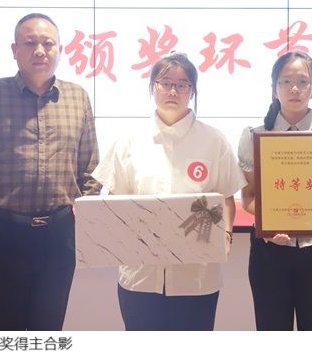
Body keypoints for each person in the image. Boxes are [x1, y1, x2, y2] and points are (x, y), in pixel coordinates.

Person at [0, 13, 101, 331]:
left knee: (49, 331)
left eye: (48, 43)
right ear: (14, 49)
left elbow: (89, 170)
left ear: (60, 50)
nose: (40, 51)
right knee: (4, 332)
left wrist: (92, 226)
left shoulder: (77, 98)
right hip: (3, 232)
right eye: (30, 43)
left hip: (59, 235)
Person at [92, 52, 245, 331]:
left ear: (192, 91)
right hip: (140, 276)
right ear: (152, 87)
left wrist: (226, 235)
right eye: (165, 83)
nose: (173, 91)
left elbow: (226, 197)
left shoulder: (214, 140)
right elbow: (115, 202)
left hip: (197, 277)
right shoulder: (129, 140)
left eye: (182, 84)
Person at [237, 50, 312, 331]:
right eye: (286, 81)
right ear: (274, 88)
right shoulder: (254, 135)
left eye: (303, 82)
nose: (295, 89)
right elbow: (248, 198)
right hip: (270, 251)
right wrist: (271, 222)